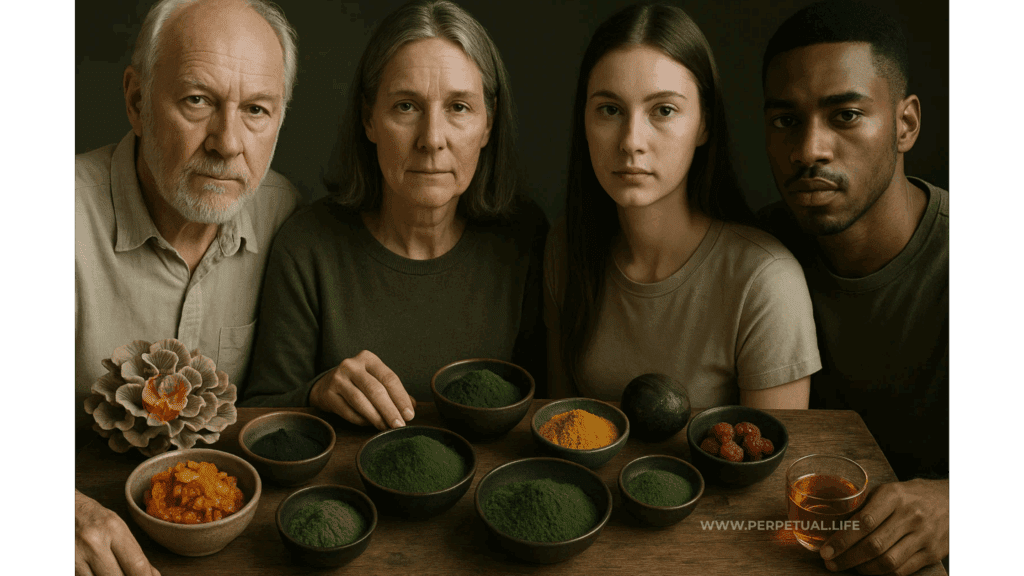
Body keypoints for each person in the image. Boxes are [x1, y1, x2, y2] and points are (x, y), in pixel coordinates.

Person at [241, 0, 548, 429]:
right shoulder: (308, 246)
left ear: (488, 125)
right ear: (369, 119)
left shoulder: (526, 240)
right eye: (406, 106)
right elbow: (261, 414)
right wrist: (316, 392)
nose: (432, 139)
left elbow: (548, 409)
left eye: (459, 107)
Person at [74, 0, 301, 574]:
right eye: (197, 100)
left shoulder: (286, 218)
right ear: (137, 102)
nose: (227, 143)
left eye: (256, 109)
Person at [544, 2, 820, 409]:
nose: (631, 140)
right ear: (583, 119)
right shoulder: (567, 247)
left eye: (664, 110)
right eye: (609, 110)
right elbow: (561, 433)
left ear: (704, 123)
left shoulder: (765, 282)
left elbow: (766, 466)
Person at [759, 1, 949, 574]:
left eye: (844, 116)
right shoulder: (757, 252)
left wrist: (960, 502)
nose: (809, 149)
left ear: (906, 124)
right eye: (786, 120)